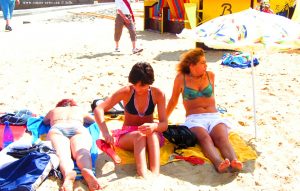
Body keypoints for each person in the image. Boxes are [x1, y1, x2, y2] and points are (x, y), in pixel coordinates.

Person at [166, 48, 243, 173]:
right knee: (205, 138)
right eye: (202, 62)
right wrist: (163, 120)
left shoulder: (210, 75)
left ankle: (234, 160)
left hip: (213, 116)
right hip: (194, 119)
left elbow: (211, 98)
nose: (206, 65)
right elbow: (173, 101)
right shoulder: (181, 78)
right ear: (192, 65)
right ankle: (219, 163)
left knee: (221, 138)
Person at [94, 62, 167, 177]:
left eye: (142, 86)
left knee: (151, 134)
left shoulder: (158, 94)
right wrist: (105, 132)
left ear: (150, 83)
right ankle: (142, 174)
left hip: (150, 133)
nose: (137, 89)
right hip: (128, 135)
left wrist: (154, 126)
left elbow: (164, 124)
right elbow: (99, 109)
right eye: (135, 85)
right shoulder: (126, 91)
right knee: (139, 135)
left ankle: (155, 174)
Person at [43, 99, 101, 191]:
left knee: (63, 156)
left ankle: (68, 173)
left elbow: (44, 121)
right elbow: (93, 120)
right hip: (77, 128)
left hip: (57, 128)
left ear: (59, 105)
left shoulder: (54, 111)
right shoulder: (79, 110)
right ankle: (87, 170)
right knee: (82, 152)